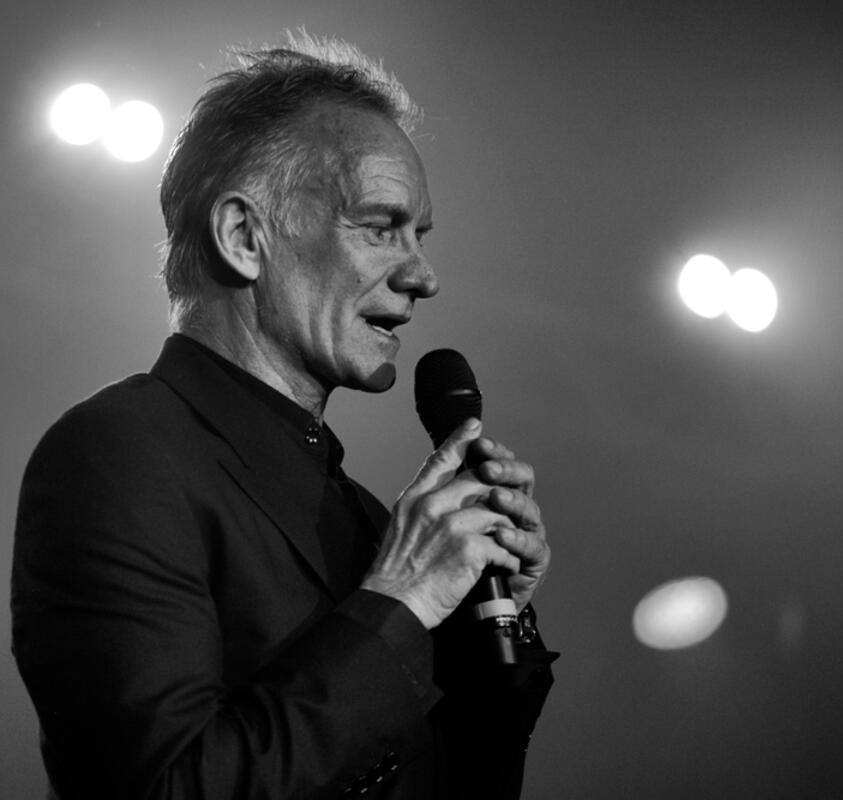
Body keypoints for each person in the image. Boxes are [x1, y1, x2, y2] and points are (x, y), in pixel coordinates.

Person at [11, 30, 555, 799]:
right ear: (244, 236)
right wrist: (400, 600)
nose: (423, 276)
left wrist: (485, 619)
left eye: (420, 235)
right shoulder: (116, 455)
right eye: (380, 226)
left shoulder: (370, 521)